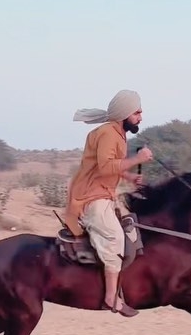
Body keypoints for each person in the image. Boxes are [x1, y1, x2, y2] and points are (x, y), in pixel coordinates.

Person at [65, 90, 152, 317]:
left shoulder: (117, 133)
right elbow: (105, 168)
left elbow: (111, 165)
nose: (141, 117)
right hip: (91, 196)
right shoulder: (108, 133)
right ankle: (111, 297)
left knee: (131, 224)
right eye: (137, 112)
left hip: (104, 192)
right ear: (124, 114)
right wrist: (138, 160)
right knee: (115, 238)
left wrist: (130, 176)